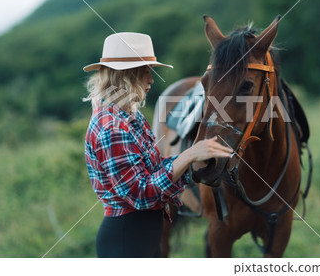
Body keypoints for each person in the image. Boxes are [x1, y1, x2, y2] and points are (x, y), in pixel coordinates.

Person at [83, 32, 232, 258]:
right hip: (128, 238)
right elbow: (140, 194)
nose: (151, 80)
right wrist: (187, 155)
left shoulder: (131, 118)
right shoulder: (112, 128)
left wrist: (192, 162)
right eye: (145, 73)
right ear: (127, 76)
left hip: (143, 235)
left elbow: (153, 170)